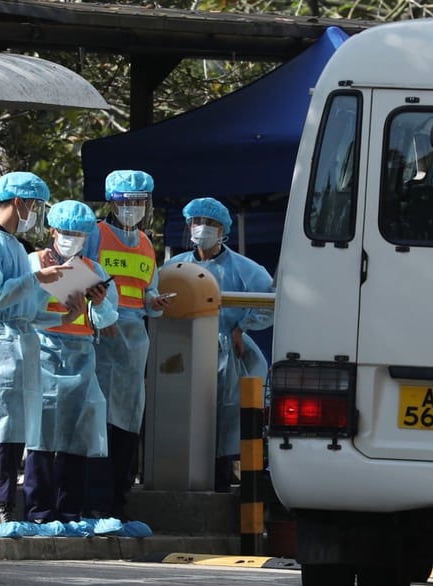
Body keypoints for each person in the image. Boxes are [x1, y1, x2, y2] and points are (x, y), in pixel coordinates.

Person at [0, 171, 72, 524]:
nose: (37, 213)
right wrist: (38, 277)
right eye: (36, 206)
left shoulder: (15, 247)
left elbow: (28, 311)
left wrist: (63, 317)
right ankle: (4, 509)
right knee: (3, 428)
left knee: (14, 428)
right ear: (19, 202)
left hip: (18, 342)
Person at [165, 197, 274, 492]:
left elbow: (269, 303)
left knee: (227, 419)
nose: (202, 228)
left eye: (210, 223)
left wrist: (242, 327)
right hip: (185, 352)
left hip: (230, 352)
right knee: (188, 418)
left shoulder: (245, 268)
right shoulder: (175, 266)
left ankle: (221, 483)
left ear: (224, 229)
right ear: (188, 226)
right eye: (197, 221)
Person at [82, 170, 170, 520]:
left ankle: (118, 503)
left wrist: (155, 303)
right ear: (111, 201)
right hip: (101, 338)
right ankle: (93, 504)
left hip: (134, 342)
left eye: (139, 201)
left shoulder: (147, 244)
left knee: (127, 424)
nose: (132, 207)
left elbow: (146, 291)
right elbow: (77, 276)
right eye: (124, 201)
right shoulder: (95, 234)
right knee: (99, 421)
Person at [24, 200, 119, 524]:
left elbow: (107, 318)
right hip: (43, 353)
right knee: (41, 433)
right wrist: (61, 309)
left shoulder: (94, 270)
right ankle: (38, 509)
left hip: (80, 356)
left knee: (77, 434)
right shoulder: (34, 263)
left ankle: (68, 510)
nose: (72, 239)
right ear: (52, 231)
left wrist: (100, 303)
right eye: (66, 232)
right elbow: (22, 308)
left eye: (79, 234)